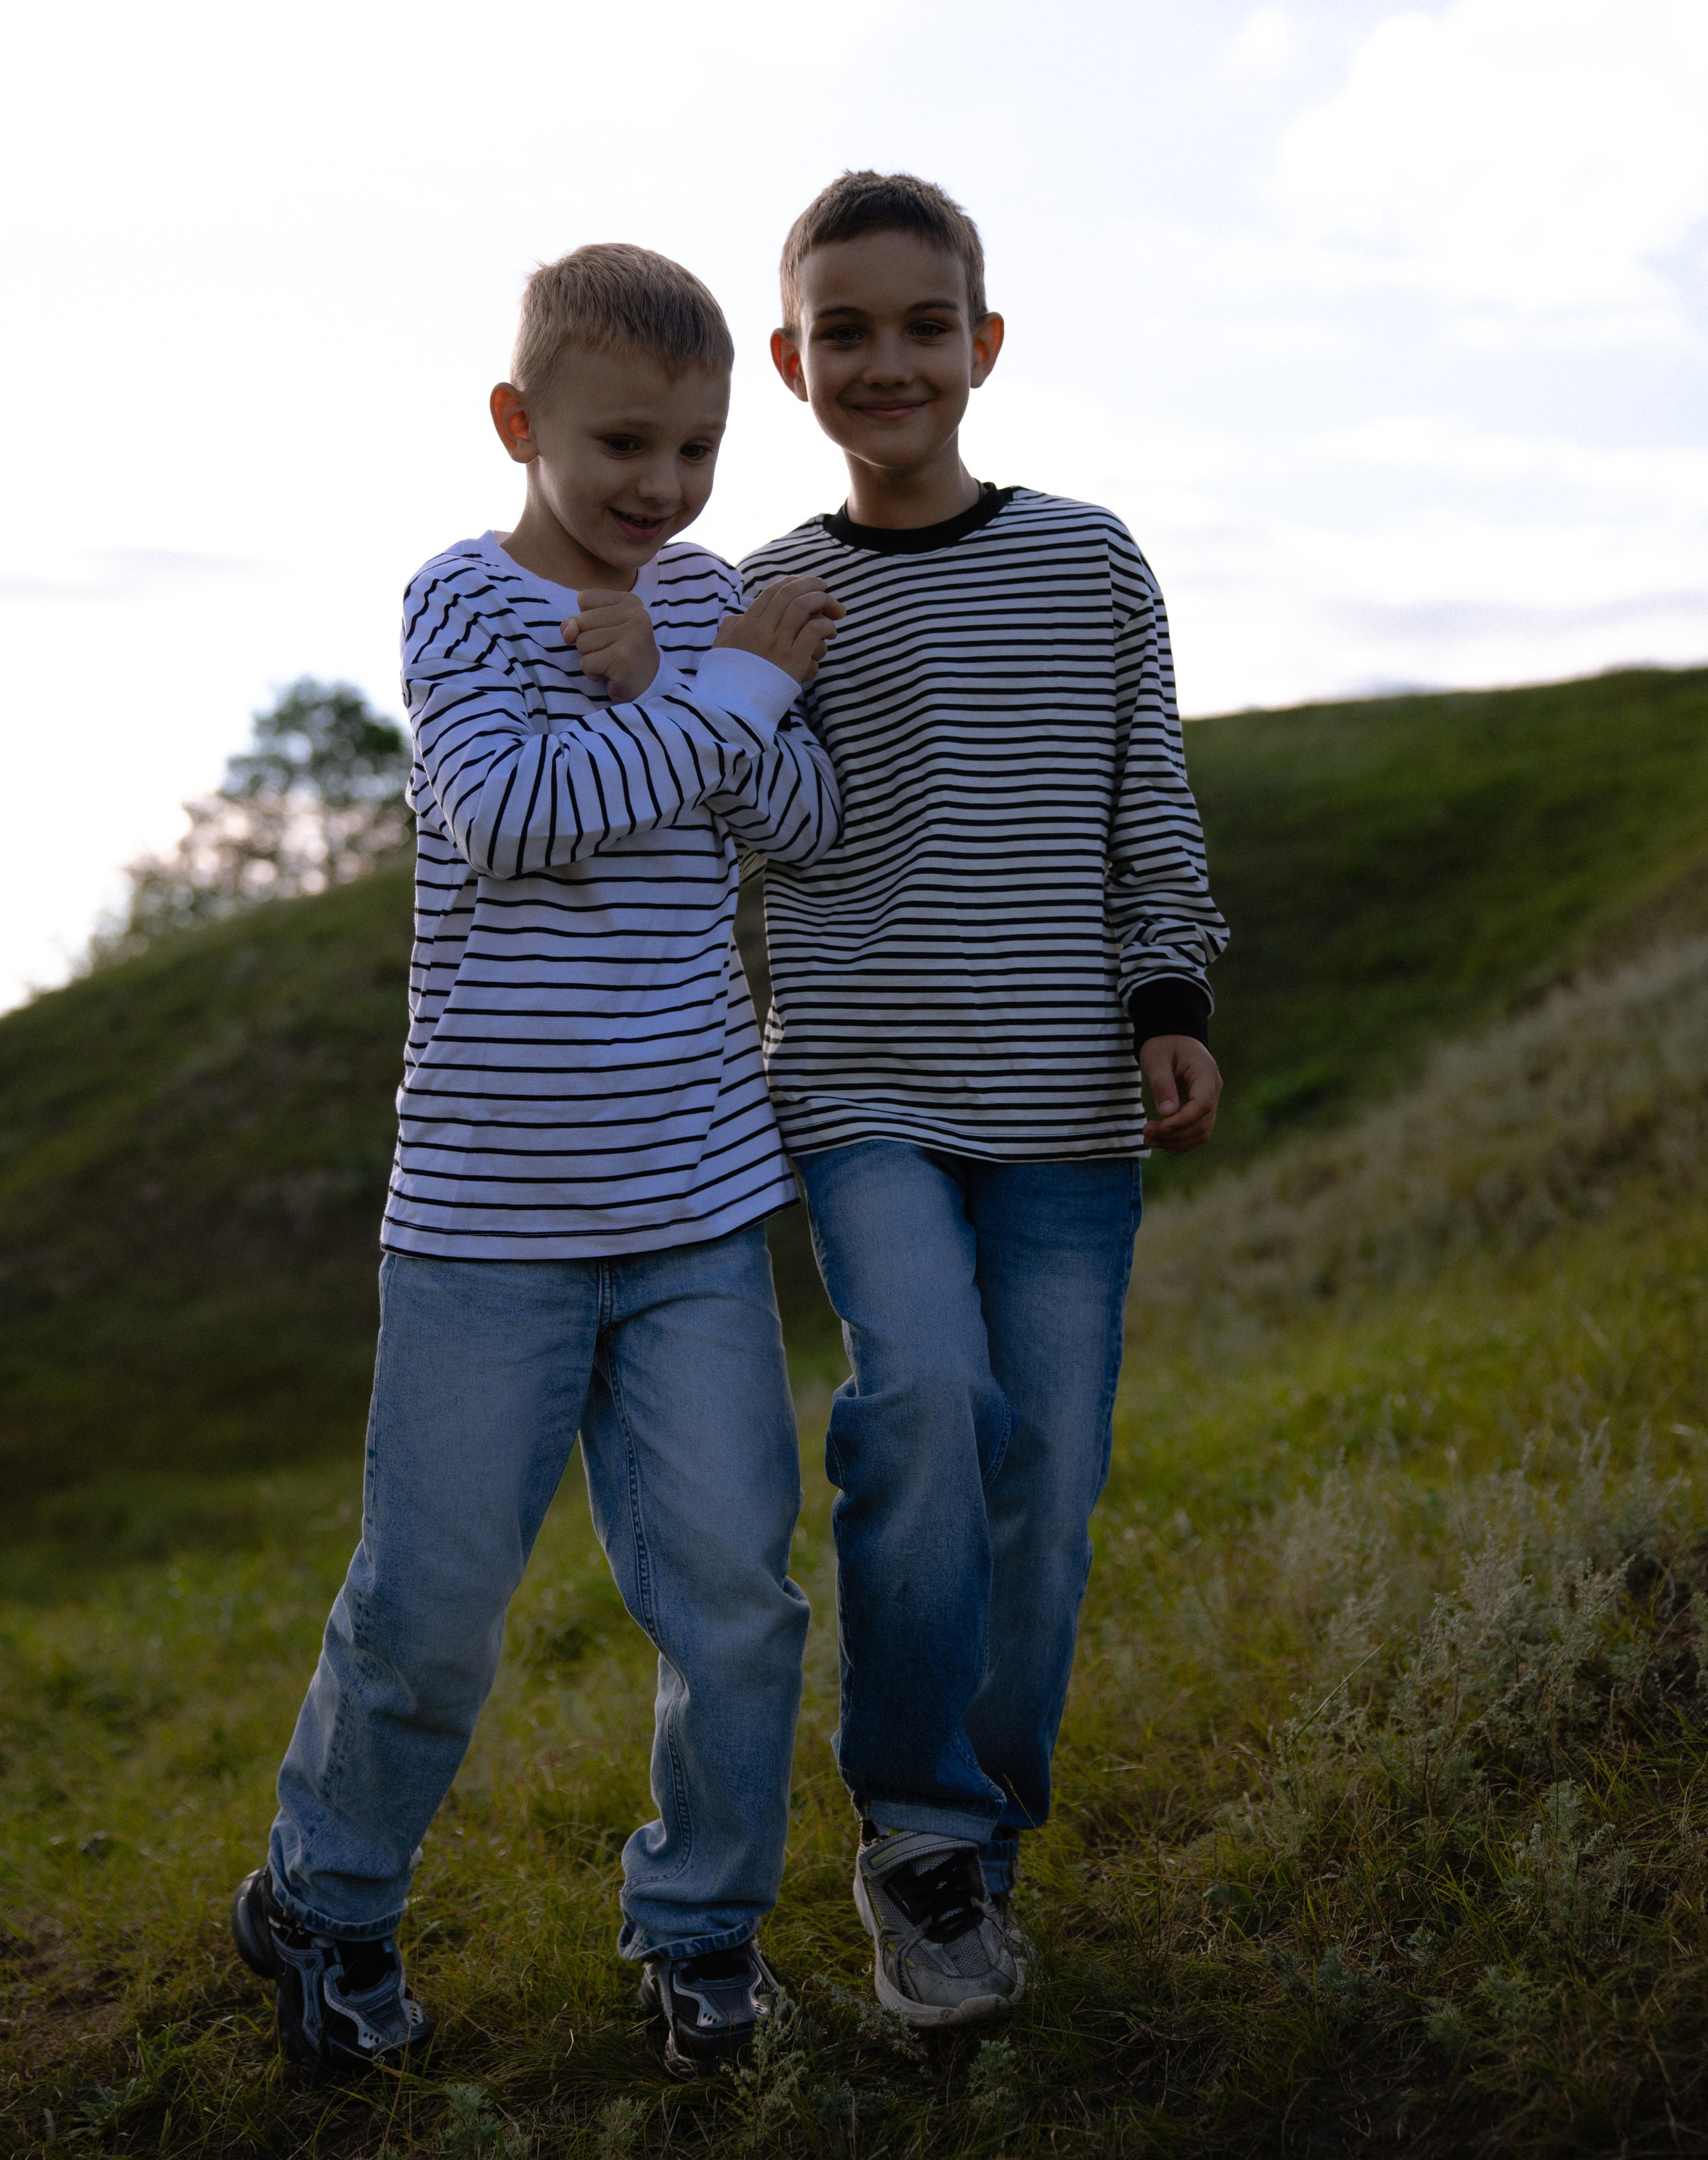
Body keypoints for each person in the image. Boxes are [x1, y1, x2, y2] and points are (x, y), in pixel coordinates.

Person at [230, 243, 844, 2081]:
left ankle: (705, 1935)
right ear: (523, 424)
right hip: (488, 1225)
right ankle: (325, 1910)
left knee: (737, 1595)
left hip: (697, 1215)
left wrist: (699, 670)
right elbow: (512, 817)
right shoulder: (465, 607)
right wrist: (711, 695)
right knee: (424, 1611)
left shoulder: (715, 601)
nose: (664, 491)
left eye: (700, 452)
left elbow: (800, 818)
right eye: (624, 447)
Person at [741, 171, 1228, 2028]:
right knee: (923, 1402)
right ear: (791, 363)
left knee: (1051, 1475)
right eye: (844, 332)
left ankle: (979, 1851)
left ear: (984, 345)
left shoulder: (1094, 561)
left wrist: (1169, 990)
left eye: (922, 325)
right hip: (861, 1083)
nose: (887, 361)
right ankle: (922, 1833)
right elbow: (738, 808)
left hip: (1066, 1103)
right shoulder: (777, 596)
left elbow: (1148, 794)